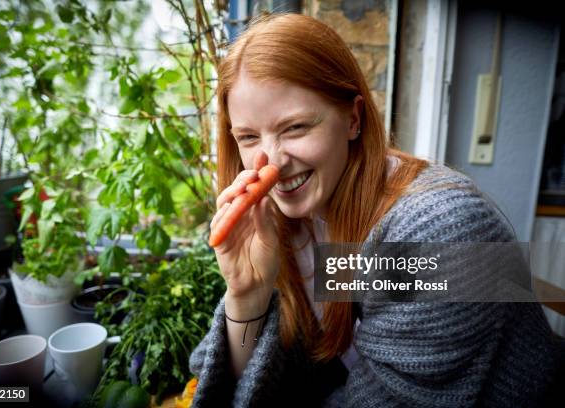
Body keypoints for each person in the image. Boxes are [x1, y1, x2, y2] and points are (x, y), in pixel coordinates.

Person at [188, 13, 565, 407]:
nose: (272, 163)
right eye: (248, 137)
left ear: (353, 119)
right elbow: (231, 375)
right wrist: (246, 296)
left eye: (296, 127)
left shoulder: (437, 234)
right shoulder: (295, 222)